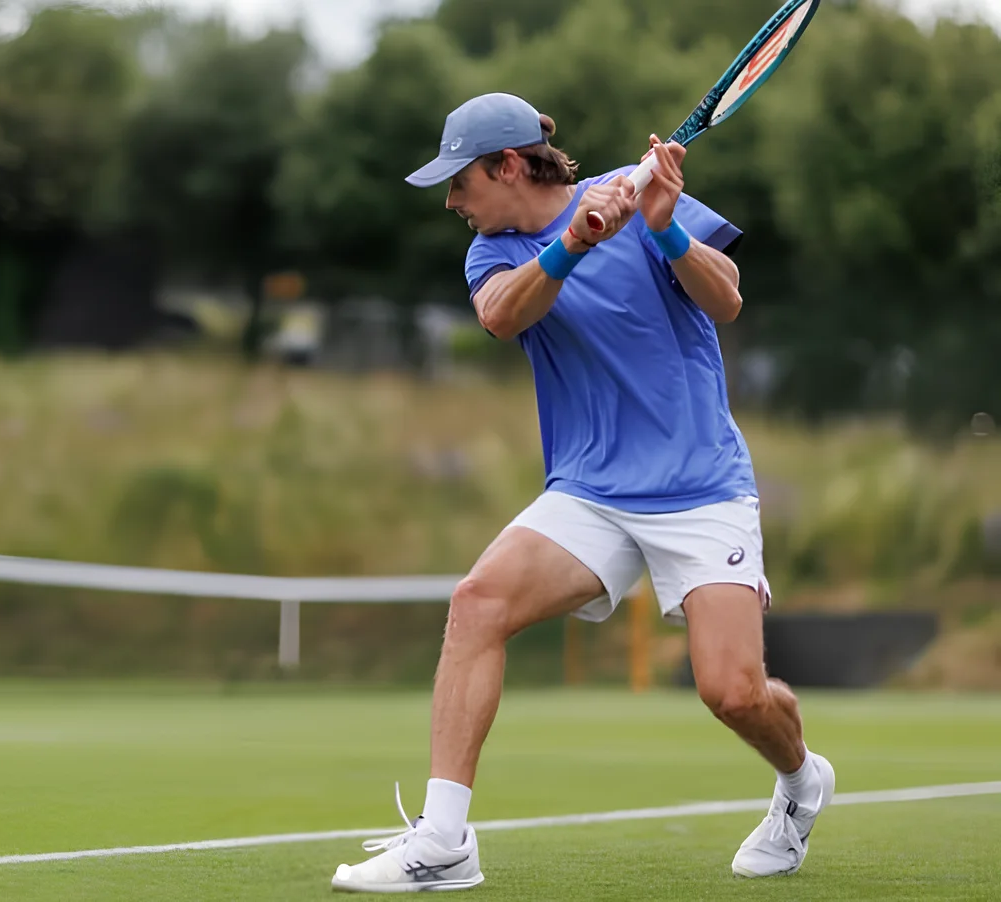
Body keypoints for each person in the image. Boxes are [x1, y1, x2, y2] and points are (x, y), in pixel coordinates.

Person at [330, 92, 834, 893]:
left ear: (506, 165)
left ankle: (803, 782)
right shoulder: (494, 253)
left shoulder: (643, 201)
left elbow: (728, 299)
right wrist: (572, 240)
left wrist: (663, 226)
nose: (453, 203)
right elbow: (501, 316)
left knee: (733, 693)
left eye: (460, 183)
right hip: (590, 493)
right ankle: (445, 841)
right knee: (478, 603)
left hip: (701, 487)